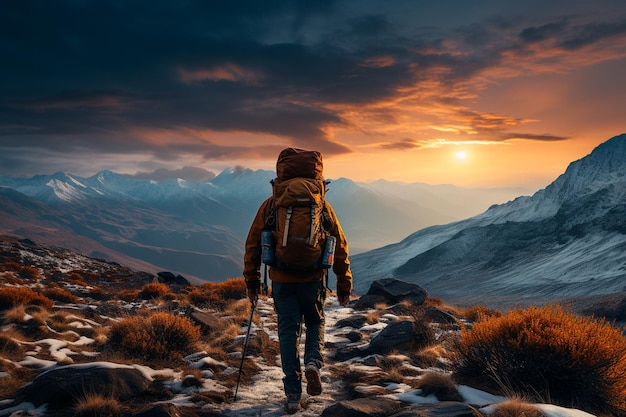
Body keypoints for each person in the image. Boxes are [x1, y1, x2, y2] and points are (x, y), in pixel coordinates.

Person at [243, 148, 352, 413]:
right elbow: (340, 245)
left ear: (280, 173)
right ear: (318, 175)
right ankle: (313, 361)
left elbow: (253, 244)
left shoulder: (272, 205)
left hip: (281, 279)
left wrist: (252, 282)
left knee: (287, 332)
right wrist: (343, 282)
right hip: (313, 277)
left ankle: (293, 392)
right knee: (315, 321)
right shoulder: (322, 205)